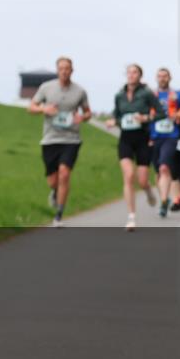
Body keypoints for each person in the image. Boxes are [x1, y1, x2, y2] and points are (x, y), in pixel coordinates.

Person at [27, 57, 92, 227]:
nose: (64, 71)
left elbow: (88, 113)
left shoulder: (80, 91)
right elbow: (31, 107)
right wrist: (44, 109)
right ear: (57, 70)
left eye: (67, 68)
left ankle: (59, 215)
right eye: (61, 68)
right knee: (53, 180)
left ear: (72, 70)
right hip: (50, 139)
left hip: (71, 139)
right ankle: (55, 191)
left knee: (64, 174)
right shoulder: (46, 87)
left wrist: (82, 117)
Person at [104, 64, 157, 231]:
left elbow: (160, 113)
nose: (131, 75)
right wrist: (113, 121)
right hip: (126, 139)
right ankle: (131, 217)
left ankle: (148, 190)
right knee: (128, 176)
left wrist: (146, 118)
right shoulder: (119, 95)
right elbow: (116, 114)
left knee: (142, 181)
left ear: (140, 76)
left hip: (143, 139)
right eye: (129, 72)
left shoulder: (147, 94)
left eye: (135, 72)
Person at [150, 68, 180, 217]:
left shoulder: (177, 95)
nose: (162, 78)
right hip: (154, 137)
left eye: (165, 76)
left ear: (170, 78)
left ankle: (164, 201)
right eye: (159, 76)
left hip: (172, 136)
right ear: (156, 78)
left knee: (164, 167)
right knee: (158, 171)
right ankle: (164, 198)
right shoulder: (150, 95)